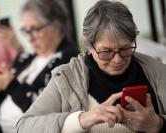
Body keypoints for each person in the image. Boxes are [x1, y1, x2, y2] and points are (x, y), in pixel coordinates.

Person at [15, 0, 166, 133]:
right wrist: (83, 118)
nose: (118, 59)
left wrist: (158, 124)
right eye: (106, 51)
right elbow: (24, 126)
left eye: (125, 48)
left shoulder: (158, 72)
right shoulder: (67, 78)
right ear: (88, 45)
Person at [0, 0, 79, 132]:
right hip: (1, 127)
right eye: (26, 30)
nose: (29, 38)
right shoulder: (28, 56)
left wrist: (10, 84)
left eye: (35, 29)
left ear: (56, 25)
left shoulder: (69, 61)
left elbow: (45, 111)